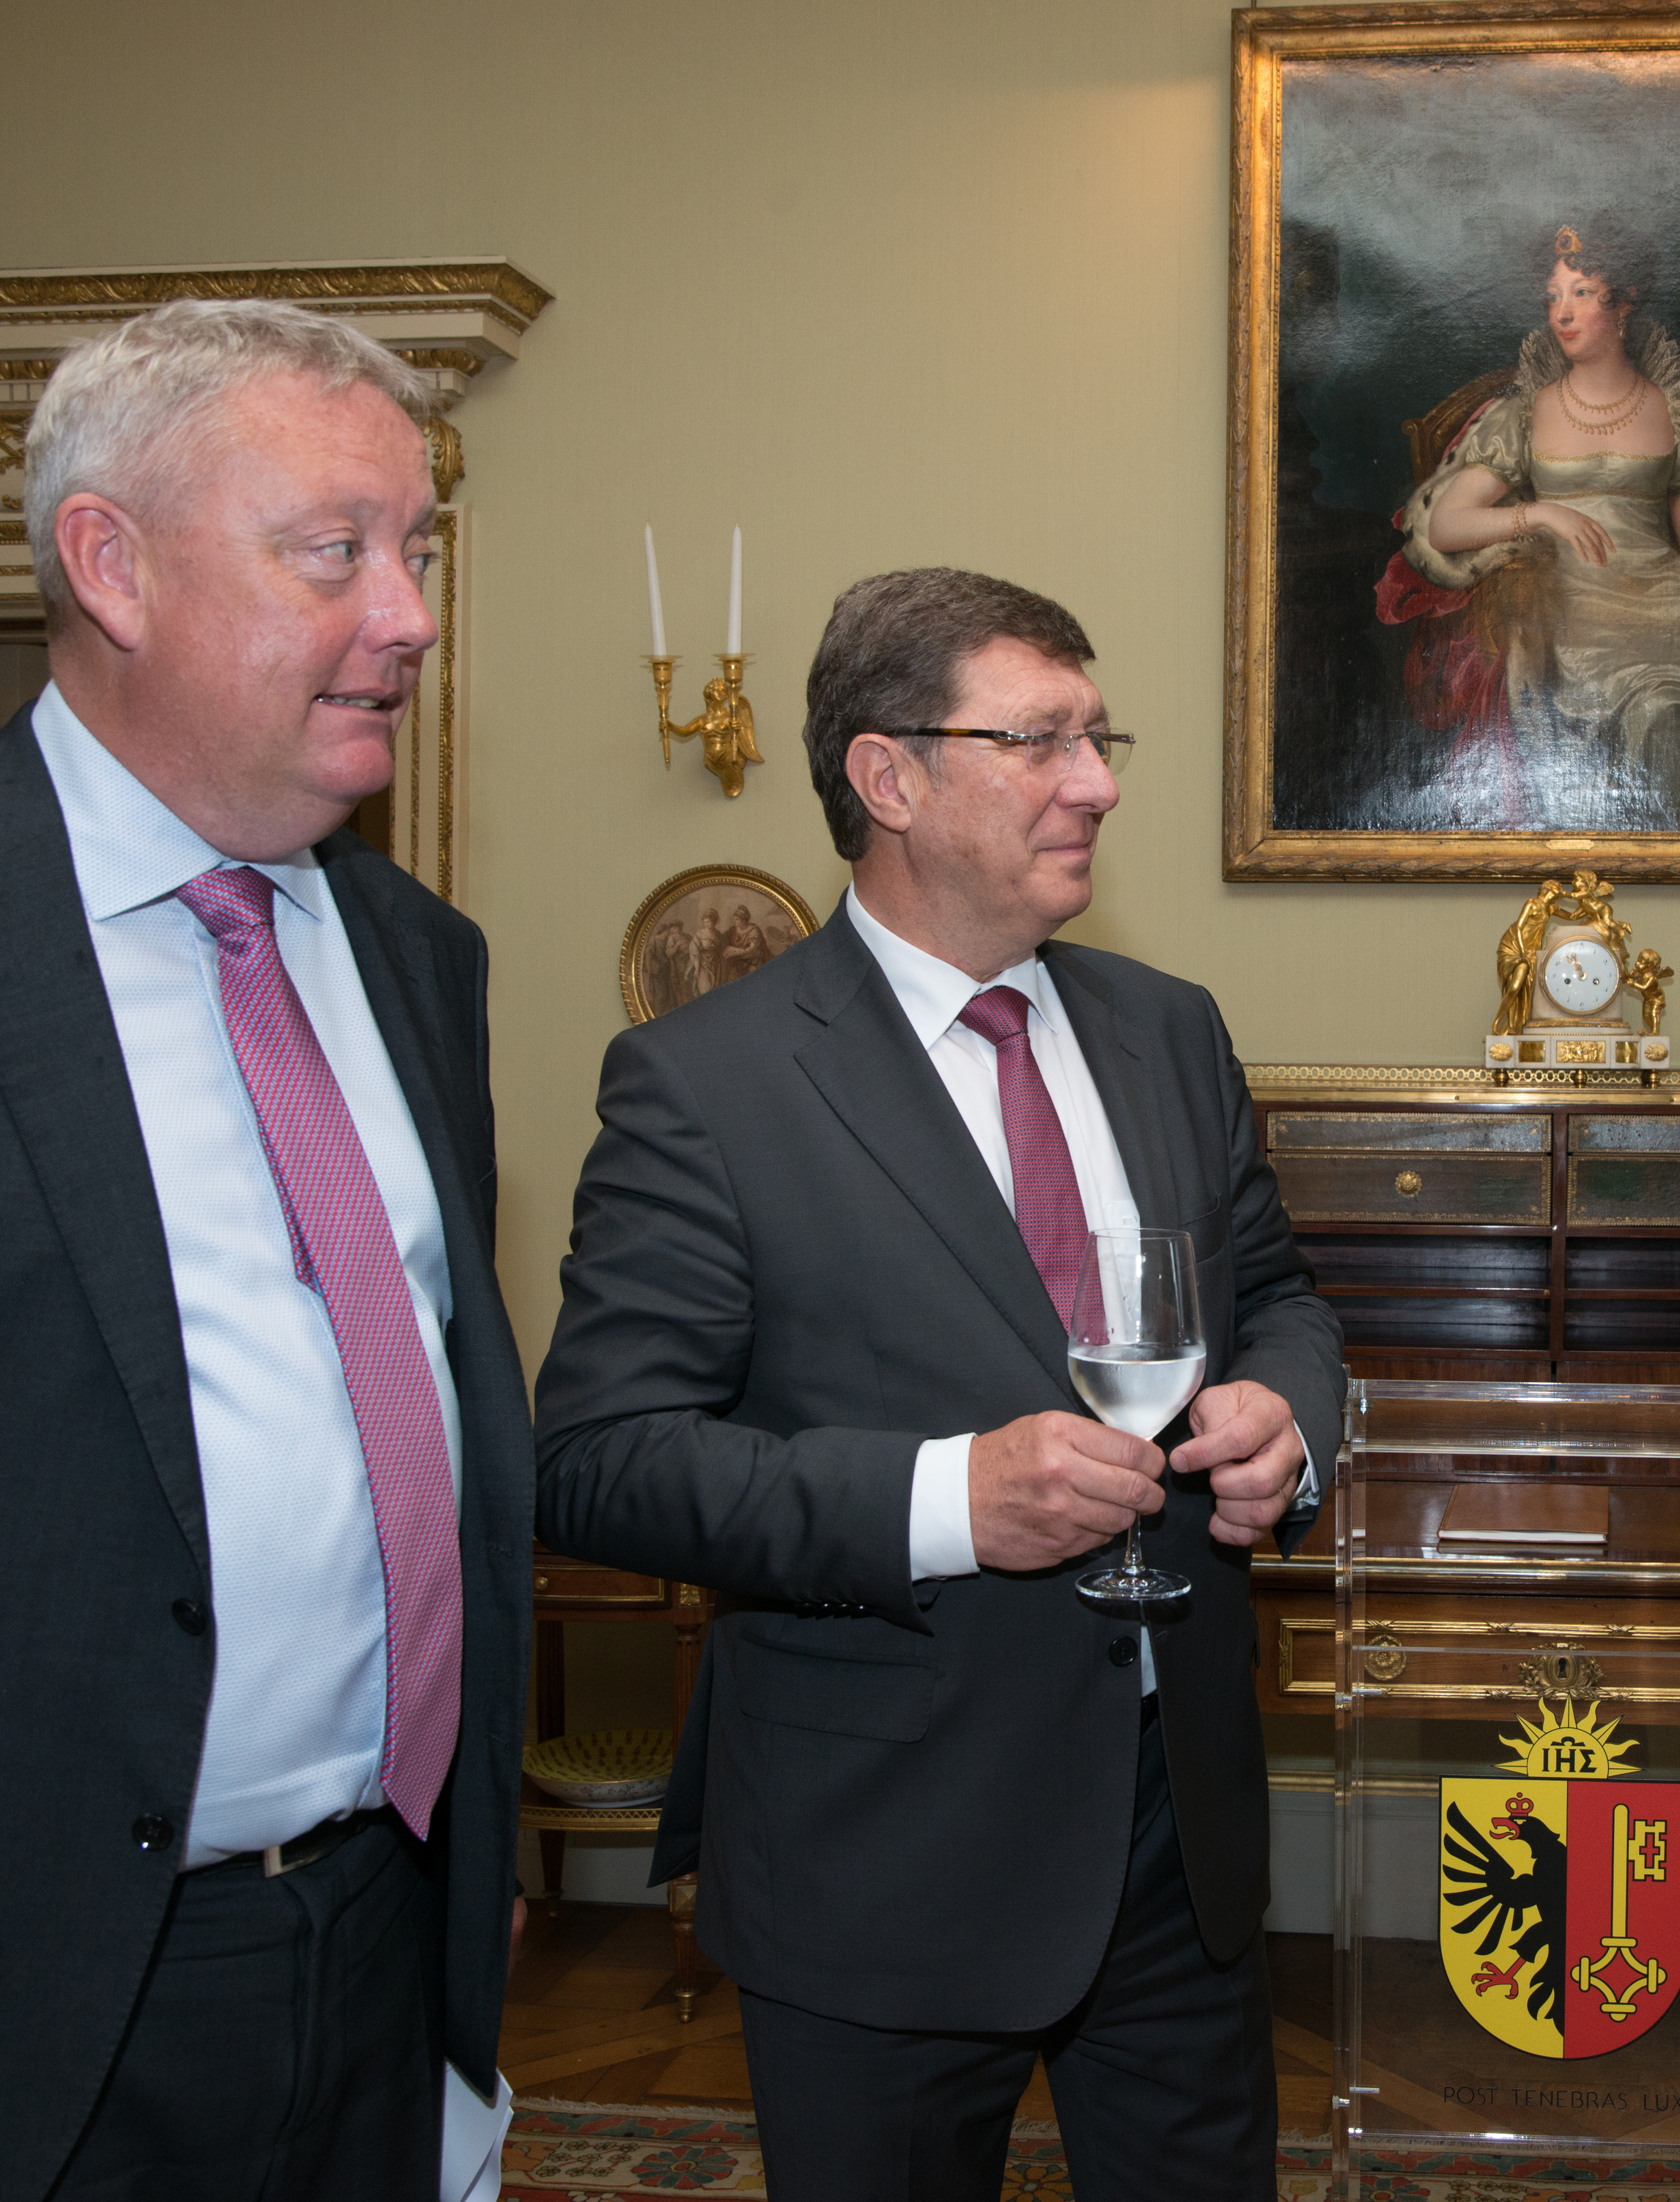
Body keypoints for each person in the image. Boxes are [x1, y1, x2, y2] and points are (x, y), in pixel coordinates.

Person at [0, 298, 534, 2200]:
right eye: (337, 552)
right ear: (110, 564)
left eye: (418, 551)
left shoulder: (413, 959)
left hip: (367, 1954)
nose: (407, 614)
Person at [534, 567, 1346, 2201]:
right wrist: (947, 1502)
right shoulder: (709, 1081)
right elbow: (601, 1455)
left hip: (1177, 1831)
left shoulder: (1168, 1029)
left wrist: (1288, 1420)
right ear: (888, 777)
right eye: (1041, 738)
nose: (1101, 779)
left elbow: (1279, 1301)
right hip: (878, 1844)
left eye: (1097, 734)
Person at [1382, 221, 1680, 832]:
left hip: (1675, 609)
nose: (1563, 312)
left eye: (1582, 292)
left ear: (1626, 301)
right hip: (1583, 621)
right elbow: (1448, 525)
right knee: (1669, 734)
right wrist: (1545, 513)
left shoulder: (1676, 417)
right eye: (1554, 296)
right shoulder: (1524, 415)